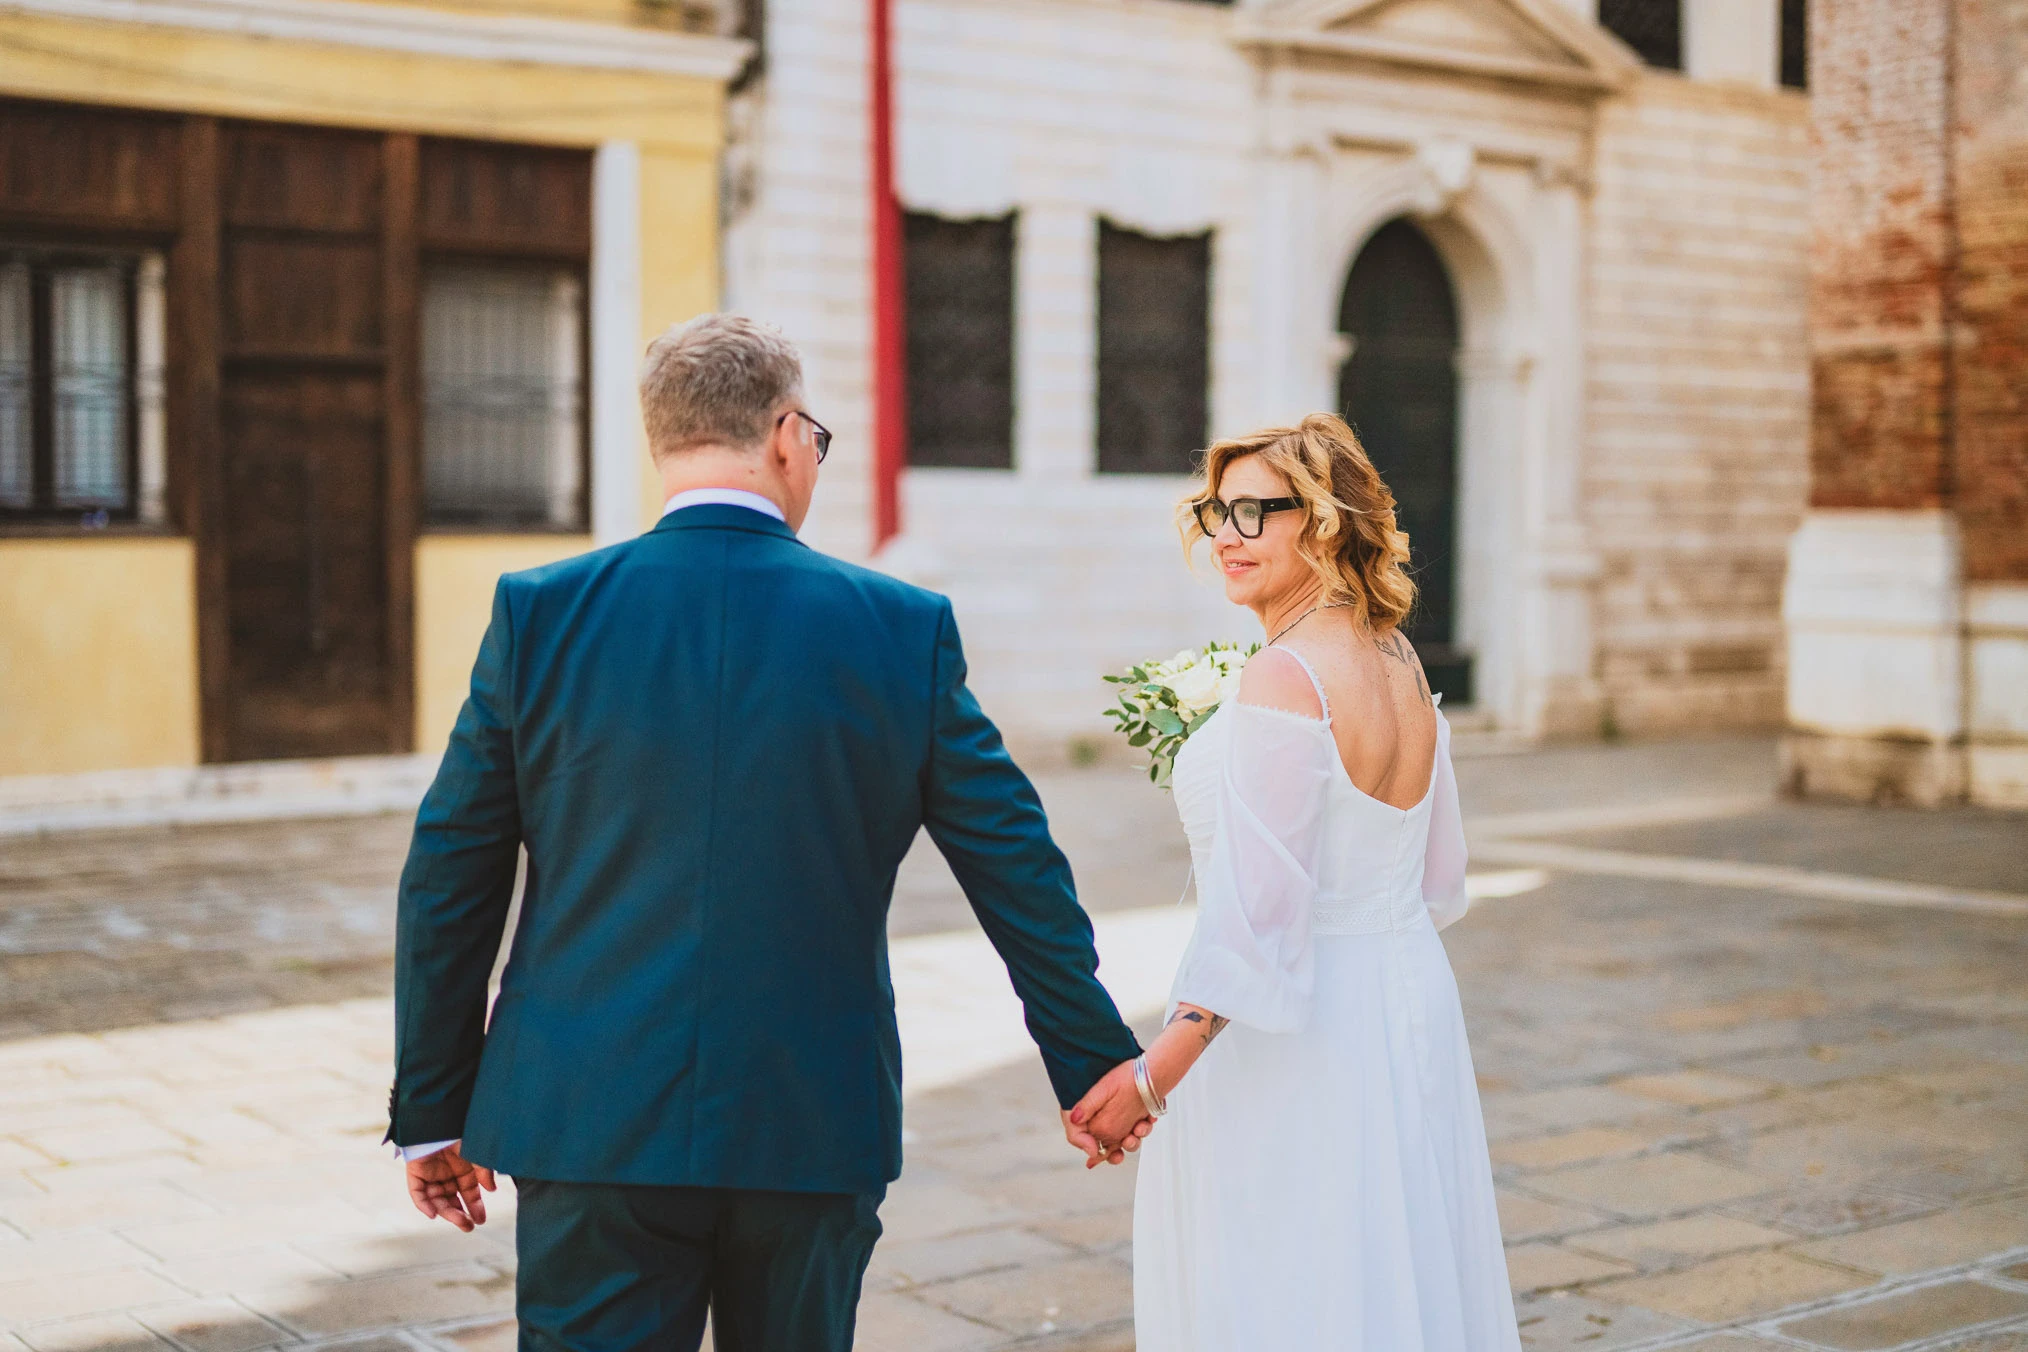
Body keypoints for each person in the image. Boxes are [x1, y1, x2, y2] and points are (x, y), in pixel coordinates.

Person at [386, 314, 1151, 1352]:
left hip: (589, 1110)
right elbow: (1014, 859)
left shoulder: (542, 613)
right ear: (789, 434)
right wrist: (1092, 1056)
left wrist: (435, 1104)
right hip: (809, 1108)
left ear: (663, 442)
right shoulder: (899, 626)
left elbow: (450, 875)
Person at [1071, 413, 1521, 1351]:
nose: (1225, 537)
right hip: (1405, 1000)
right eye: (1215, 513)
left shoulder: (1285, 675)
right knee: (1389, 1264)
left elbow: (1260, 927)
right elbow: (1438, 879)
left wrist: (1153, 1081)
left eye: (1254, 514)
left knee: (1287, 1283)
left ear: (1322, 520)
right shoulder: (1400, 659)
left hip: (1299, 1035)